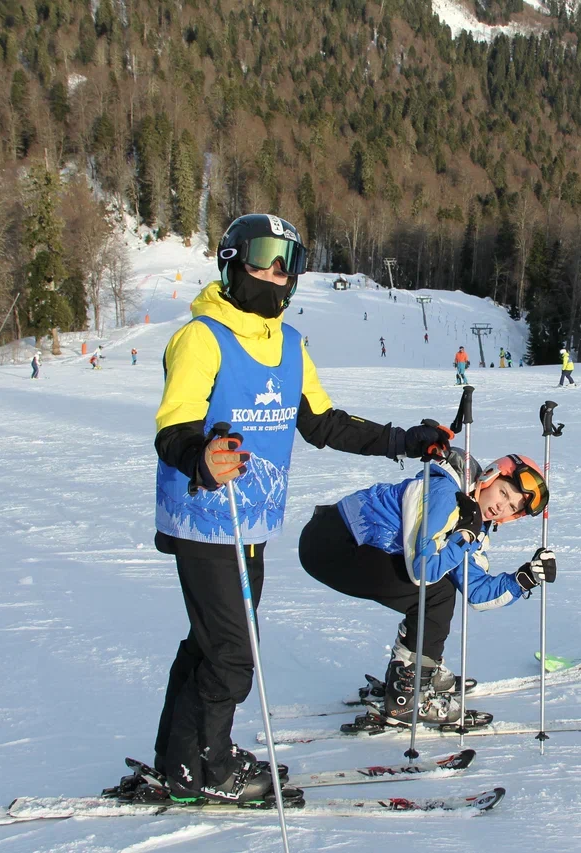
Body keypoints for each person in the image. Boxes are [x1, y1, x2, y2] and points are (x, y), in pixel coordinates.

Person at [149, 213, 452, 804]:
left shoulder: (290, 345)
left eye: (291, 260)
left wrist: (403, 440)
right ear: (231, 259)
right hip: (205, 518)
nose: (279, 273)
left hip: (253, 523)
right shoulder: (202, 337)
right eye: (265, 256)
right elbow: (173, 425)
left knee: (211, 645)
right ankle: (208, 771)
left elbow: (323, 422)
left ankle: (182, 758)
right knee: (233, 655)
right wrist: (201, 457)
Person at [299, 452, 553, 724]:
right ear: (489, 477)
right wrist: (464, 535)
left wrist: (523, 579)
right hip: (334, 543)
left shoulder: (473, 520)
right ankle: (407, 693)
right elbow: (424, 572)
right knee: (435, 593)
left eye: (513, 507)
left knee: (440, 590)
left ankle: (416, 671)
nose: (502, 506)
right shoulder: (446, 495)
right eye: (503, 493)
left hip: (349, 545)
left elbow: (476, 592)